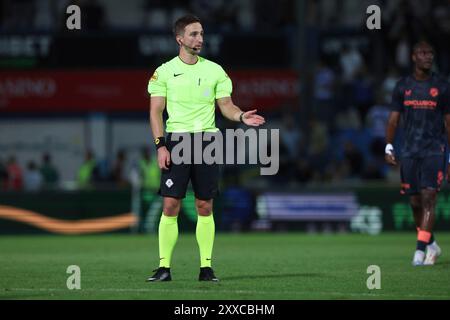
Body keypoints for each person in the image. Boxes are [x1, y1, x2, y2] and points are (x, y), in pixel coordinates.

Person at [147, 14, 265, 282]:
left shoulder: (215, 70)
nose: (200, 39)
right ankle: (164, 267)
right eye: (194, 34)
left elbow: (226, 105)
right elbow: (156, 112)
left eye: (201, 34)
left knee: (204, 206)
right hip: (176, 141)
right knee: (169, 205)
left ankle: (206, 268)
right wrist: (160, 145)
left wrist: (241, 116)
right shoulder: (163, 72)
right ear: (180, 38)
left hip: (207, 142)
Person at [385, 41, 450, 266]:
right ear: (413, 57)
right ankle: (431, 244)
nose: (428, 56)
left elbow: (449, 123)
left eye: (431, 53)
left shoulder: (442, 86)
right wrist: (389, 146)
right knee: (415, 203)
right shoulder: (403, 86)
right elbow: (393, 119)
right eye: (423, 53)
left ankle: (419, 251)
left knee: (429, 199)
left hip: (434, 150)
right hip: (409, 152)